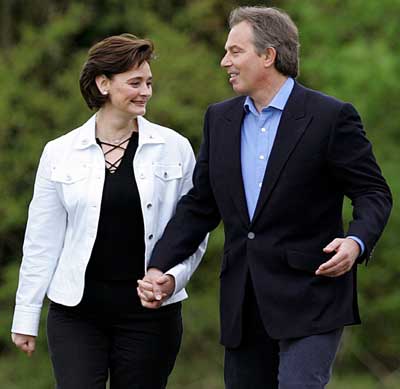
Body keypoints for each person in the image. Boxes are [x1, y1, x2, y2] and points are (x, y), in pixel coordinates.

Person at [137, 6, 392, 389]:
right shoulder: (218, 120)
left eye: (235, 51)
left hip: (312, 294)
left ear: (269, 55)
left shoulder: (330, 117)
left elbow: (373, 192)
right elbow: (200, 205)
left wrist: (356, 242)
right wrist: (160, 266)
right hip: (243, 301)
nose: (225, 61)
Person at [11, 33, 206, 389]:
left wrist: (173, 278)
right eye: (134, 83)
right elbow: (41, 240)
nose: (145, 91)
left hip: (150, 317)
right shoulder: (59, 152)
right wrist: (25, 315)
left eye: (148, 82)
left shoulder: (174, 148)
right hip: (76, 315)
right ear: (103, 84)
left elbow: (193, 229)